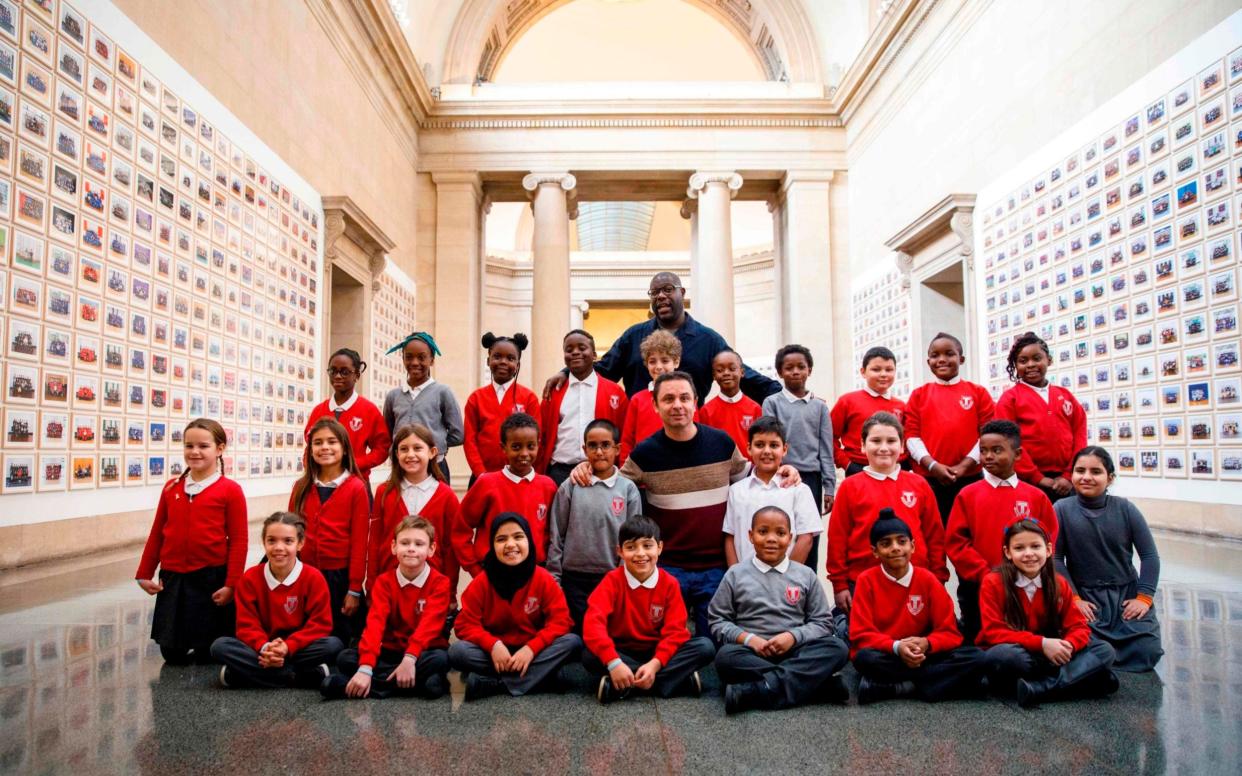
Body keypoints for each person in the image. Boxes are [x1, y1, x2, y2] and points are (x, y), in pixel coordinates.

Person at [541, 272, 780, 407]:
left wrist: (790, 397)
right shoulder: (633, 336)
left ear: (682, 293)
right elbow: (603, 370)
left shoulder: (708, 340)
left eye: (668, 289)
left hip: (689, 428)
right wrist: (566, 372)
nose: (661, 296)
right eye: (655, 292)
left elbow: (744, 375)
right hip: (640, 428)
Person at [707, 506, 850, 714]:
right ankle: (817, 686)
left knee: (837, 648)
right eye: (763, 531)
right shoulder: (735, 574)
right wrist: (749, 639)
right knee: (725, 657)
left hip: (796, 651)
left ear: (790, 537)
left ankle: (757, 690)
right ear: (750, 536)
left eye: (780, 533)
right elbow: (718, 620)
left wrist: (792, 637)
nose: (771, 539)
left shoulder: (805, 574)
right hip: (753, 653)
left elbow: (823, 622)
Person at [136, 418, 247, 664]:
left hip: (210, 578)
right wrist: (144, 573)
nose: (195, 452)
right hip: (174, 577)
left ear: (219, 449)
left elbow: (239, 541)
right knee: (172, 653)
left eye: (203, 446)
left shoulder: (230, 490)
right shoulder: (171, 488)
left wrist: (232, 584)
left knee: (208, 651)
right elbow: (157, 533)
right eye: (189, 445)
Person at [848, 511, 987, 704]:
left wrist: (927, 643)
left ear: (912, 546)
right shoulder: (866, 580)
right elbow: (860, 634)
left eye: (902, 542)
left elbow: (950, 632)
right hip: (889, 653)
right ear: (875, 551)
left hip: (923, 653)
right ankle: (935, 684)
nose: (895, 548)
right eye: (886, 544)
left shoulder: (927, 579)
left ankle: (902, 687)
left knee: (977, 657)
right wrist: (896, 647)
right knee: (864, 658)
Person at [827, 412, 947, 634]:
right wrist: (840, 585)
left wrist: (938, 577)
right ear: (863, 446)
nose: (884, 448)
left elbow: (934, 535)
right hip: (862, 583)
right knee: (866, 645)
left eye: (891, 441)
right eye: (875, 441)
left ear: (902, 447)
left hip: (915, 581)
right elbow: (837, 538)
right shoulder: (850, 487)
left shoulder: (918, 484)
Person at [978, 519, 1119, 707]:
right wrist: (1042, 644)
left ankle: (1041, 688)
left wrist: (1067, 646)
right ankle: (1078, 678)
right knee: (1002, 657)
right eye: (1019, 548)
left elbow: (1078, 626)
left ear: (1048, 549)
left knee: (1105, 650)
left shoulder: (1059, 583)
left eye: (1035, 546)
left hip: (1054, 653)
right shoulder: (993, 582)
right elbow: (993, 632)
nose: (1029, 554)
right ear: (1008, 553)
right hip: (1023, 652)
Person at [583, 515, 716, 703]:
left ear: (660, 548)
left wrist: (655, 664)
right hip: (622, 651)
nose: (640, 554)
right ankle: (671, 682)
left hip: (657, 652)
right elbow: (592, 624)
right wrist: (614, 662)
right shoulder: (611, 581)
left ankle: (625, 685)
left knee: (705, 647)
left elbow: (675, 632)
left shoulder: (669, 583)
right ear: (620, 551)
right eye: (631, 547)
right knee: (589, 655)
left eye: (647, 545)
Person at [946, 419, 1057, 643]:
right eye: (983, 451)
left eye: (997, 450)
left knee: (1026, 637)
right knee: (980, 640)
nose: (988, 456)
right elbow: (956, 543)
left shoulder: (1036, 496)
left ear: (1017, 454)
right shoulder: (968, 495)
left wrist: (1029, 570)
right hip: (979, 587)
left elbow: (1049, 538)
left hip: (1026, 584)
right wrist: (986, 575)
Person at [450, 513, 583, 699]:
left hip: (533, 651)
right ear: (492, 545)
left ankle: (497, 684)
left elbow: (561, 621)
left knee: (573, 642)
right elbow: (464, 624)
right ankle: (542, 677)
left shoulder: (543, 578)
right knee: (458, 652)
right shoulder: (482, 582)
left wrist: (532, 648)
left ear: (529, 540)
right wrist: (493, 645)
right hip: (495, 654)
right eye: (501, 539)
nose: (510, 544)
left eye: (518, 537)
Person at [1054, 446, 1163, 672]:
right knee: (1086, 644)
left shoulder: (1126, 509)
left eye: (1096, 472)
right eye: (1079, 470)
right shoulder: (1061, 509)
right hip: (1086, 598)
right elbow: (1055, 559)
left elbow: (1150, 556)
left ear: (1110, 478)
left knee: (1147, 651)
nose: (1086, 477)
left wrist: (1143, 598)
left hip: (1126, 596)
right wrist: (1074, 598)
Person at [323, 516, 451, 700]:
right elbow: (375, 624)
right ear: (393, 547)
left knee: (441, 659)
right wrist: (366, 667)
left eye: (419, 543)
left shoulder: (440, 583)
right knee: (345, 658)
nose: (411, 548)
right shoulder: (384, 582)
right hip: (390, 652)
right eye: (405, 543)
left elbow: (430, 626)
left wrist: (410, 658)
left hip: (423, 652)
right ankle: (410, 685)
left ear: (431, 549)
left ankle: (358, 686)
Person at [210, 512, 343, 689]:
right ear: (264, 543)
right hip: (261, 648)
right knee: (219, 647)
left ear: (300, 544)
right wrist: (265, 647)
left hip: (298, 648)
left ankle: (241, 676)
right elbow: (246, 625)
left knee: (333, 645)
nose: (279, 547)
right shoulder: (250, 578)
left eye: (288, 541)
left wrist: (287, 647)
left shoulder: (314, 578)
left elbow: (319, 625)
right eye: (272, 540)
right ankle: (298, 677)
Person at [547, 419, 643, 631]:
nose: (599, 452)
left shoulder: (628, 490)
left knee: (605, 635)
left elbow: (633, 541)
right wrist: (555, 578)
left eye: (606, 445)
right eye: (592, 445)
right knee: (578, 637)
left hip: (610, 578)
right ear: (584, 449)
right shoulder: (571, 486)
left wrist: (624, 579)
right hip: (574, 579)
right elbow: (557, 534)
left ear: (617, 449)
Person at [290, 417, 369, 645]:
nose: (324, 447)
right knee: (306, 633)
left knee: (338, 639)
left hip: (339, 578)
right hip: (306, 574)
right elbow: (290, 533)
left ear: (344, 449)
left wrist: (354, 588)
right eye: (318, 442)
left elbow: (359, 541)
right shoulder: (301, 487)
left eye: (332, 442)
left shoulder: (356, 487)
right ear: (310, 450)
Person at [903, 333, 994, 523]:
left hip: (970, 477)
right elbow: (911, 436)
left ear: (961, 359)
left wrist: (964, 466)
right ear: (928, 362)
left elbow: (988, 435)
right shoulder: (919, 395)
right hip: (929, 479)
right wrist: (932, 465)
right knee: (934, 534)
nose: (942, 359)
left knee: (970, 531)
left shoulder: (978, 393)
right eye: (935, 355)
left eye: (949, 354)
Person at [760, 344, 835, 569]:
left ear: (809, 370)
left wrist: (829, 487)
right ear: (779, 372)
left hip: (811, 479)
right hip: (781, 477)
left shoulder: (819, 407)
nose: (795, 371)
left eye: (801, 367)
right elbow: (769, 442)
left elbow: (826, 449)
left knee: (808, 534)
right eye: (789, 367)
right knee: (780, 531)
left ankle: (806, 585)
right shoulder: (772, 403)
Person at [455, 413, 558, 575]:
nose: (524, 453)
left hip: (536, 573)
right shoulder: (486, 484)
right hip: (492, 572)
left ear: (538, 446)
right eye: (516, 447)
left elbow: (554, 536)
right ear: (503, 447)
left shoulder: (548, 486)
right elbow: (461, 527)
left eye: (530, 446)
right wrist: (474, 568)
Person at [369, 424, 460, 606]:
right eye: (403, 449)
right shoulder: (384, 492)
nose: (410, 455)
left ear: (432, 452)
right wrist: (371, 586)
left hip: (432, 587)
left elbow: (451, 549)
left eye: (417, 448)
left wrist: (450, 593)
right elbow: (375, 543)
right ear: (396, 454)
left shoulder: (446, 495)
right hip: (389, 584)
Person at [994, 331, 1087, 504]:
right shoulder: (1010, 398)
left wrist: (1068, 475)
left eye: (1037, 358)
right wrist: (1036, 477)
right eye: (1023, 361)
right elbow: (1007, 441)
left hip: (1066, 482)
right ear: (1015, 365)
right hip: (1028, 481)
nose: (1030, 365)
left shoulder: (1065, 395)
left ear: (1048, 360)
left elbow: (1080, 435)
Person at [723, 416, 820, 568]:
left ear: (785, 449)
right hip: (745, 581)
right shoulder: (737, 490)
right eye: (759, 445)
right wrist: (736, 576)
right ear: (749, 448)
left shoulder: (799, 490)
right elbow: (730, 536)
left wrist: (787, 576)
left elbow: (806, 538)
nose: (766, 451)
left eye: (774, 445)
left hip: (785, 581)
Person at [537, 329, 629, 486]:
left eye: (581, 348)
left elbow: (624, 436)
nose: (575, 352)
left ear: (594, 355)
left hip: (601, 471)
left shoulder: (615, 392)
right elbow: (543, 435)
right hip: (560, 472)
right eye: (569, 349)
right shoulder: (553, 391)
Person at [382, 331, 464, 484]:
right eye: (409, 357)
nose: (414, 362)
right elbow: (387, 432)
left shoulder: (442, 392)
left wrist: (432, 446)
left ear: (432, 360)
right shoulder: (393, 396)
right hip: (402, 468)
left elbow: (458, 434)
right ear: (403, 358)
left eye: (421, 357)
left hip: (435, 467)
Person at [304, 347, 390, 487]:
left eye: (345, 372)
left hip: (356, 483)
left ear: (357, 375)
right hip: (321, 483)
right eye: (333, 371)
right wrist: (310, 467)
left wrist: (356, 464)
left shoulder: (368, 410)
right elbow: (309, 447)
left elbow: (382, 447)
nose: (338, 376)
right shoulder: (319, 411)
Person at [464, 332, 540, 486]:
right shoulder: (476, 398)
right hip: (482, 477)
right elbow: (469, 440)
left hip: (518, 476)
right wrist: (481, 474)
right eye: (497, 357)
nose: (503, 362)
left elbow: (538, 439)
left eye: (510, 358)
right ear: (488, 361)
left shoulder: (529, 398)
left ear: (518, 365)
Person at [831, 346, 907, 476]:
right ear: (863, 372)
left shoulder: (901, 406)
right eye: (876, 369)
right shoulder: (848, 401)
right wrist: (846, 463)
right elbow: (829, 436)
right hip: (858, 468)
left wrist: (904, 462)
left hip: (893, 470)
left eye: (889, 370)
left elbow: (906, 439)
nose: (883, 374)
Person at [619, 329, 683, 463]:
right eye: (652, 361)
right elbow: (627, 441)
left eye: (665, 360)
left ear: (676, 362)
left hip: (679, 468)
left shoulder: (685, 398)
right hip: (644, 471)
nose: (658, 367)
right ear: (646, 364)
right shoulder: (637, 400)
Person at [697, 348, 762, 459]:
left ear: (742, 372)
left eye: (732, 369)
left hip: (749, 470)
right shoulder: (706, 411)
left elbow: (760, 442)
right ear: (713, 375)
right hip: (718, 469)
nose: (726, 373)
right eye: (720, 370)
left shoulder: (755, 408)